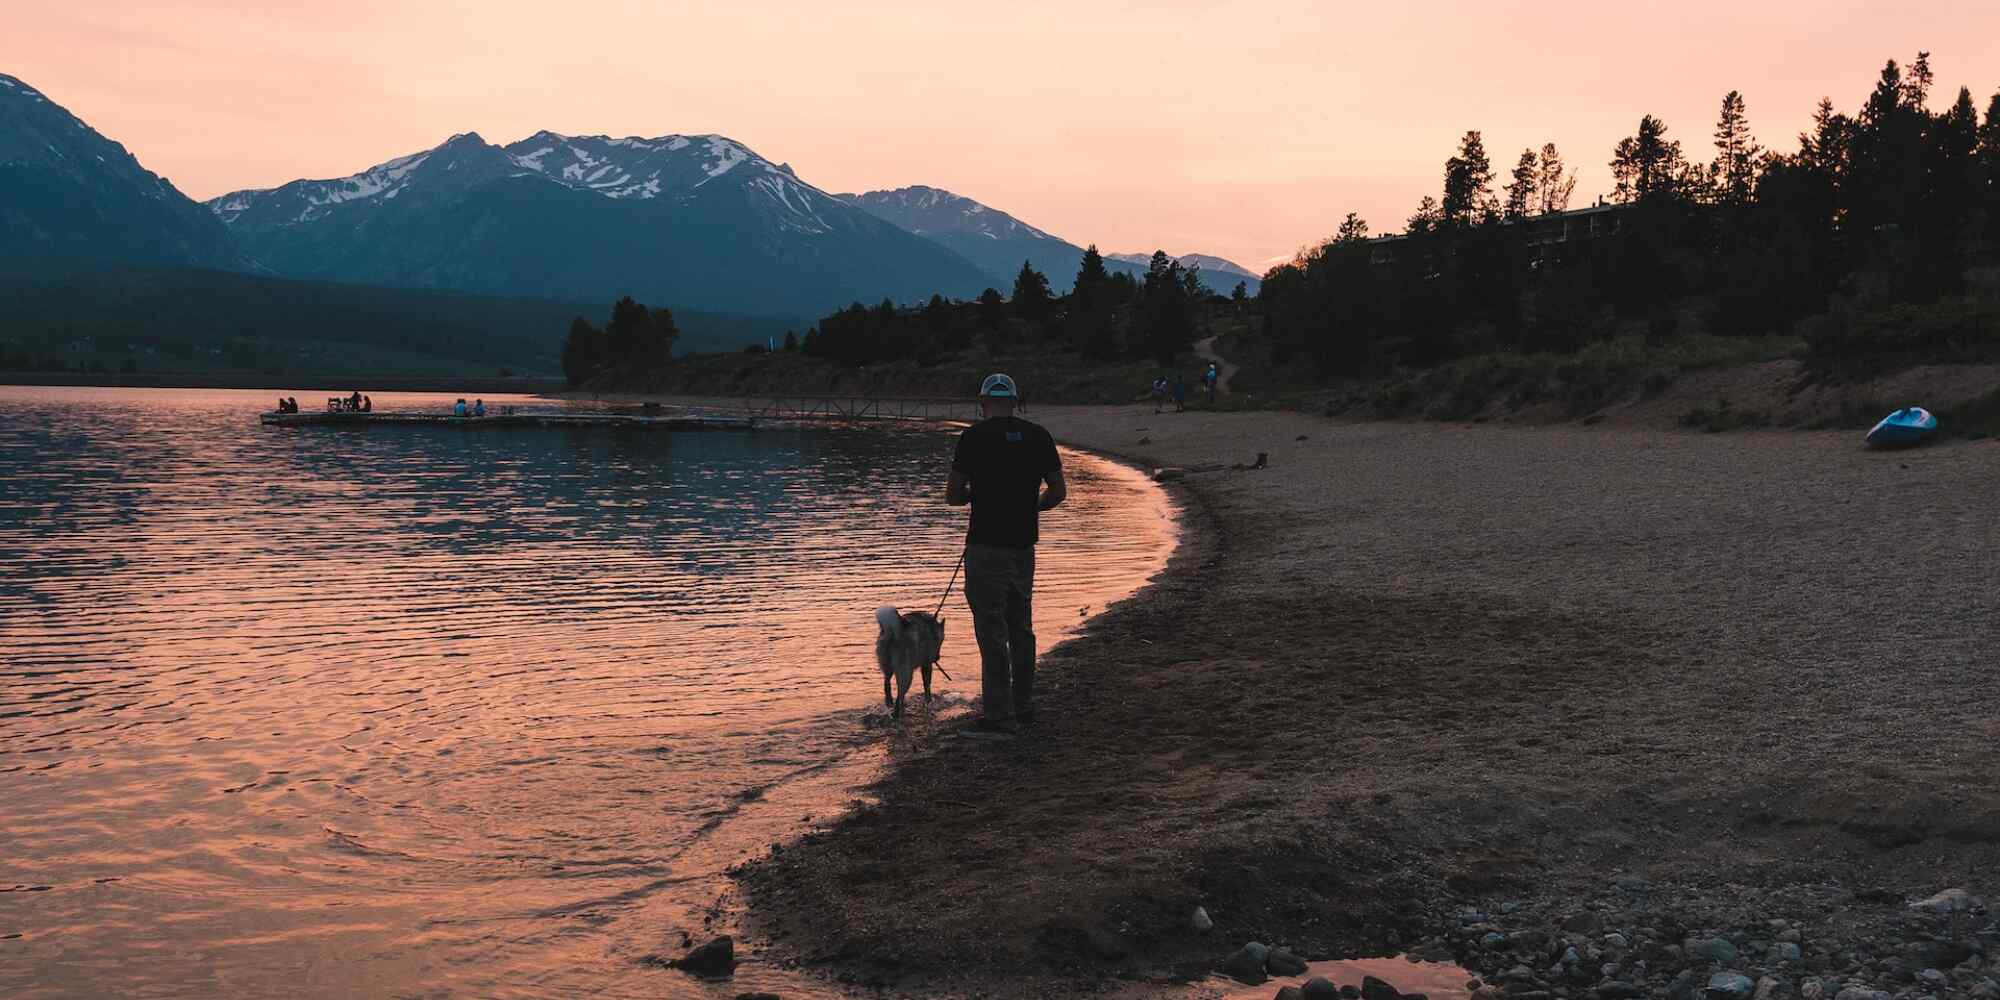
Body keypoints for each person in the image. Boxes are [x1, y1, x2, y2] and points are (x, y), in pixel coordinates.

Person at [946, 373, 1065, 736]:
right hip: (1023, 547)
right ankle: (1023, 705)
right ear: (1015, 401)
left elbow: (952, 494)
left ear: (983, 402)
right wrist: (1030, 508)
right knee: (1021, 628)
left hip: (985, 547)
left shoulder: (973, 437)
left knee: (992, 630)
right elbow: (1058, 492)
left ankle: (999, 717)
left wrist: (974, 497)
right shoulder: (1038, 435)